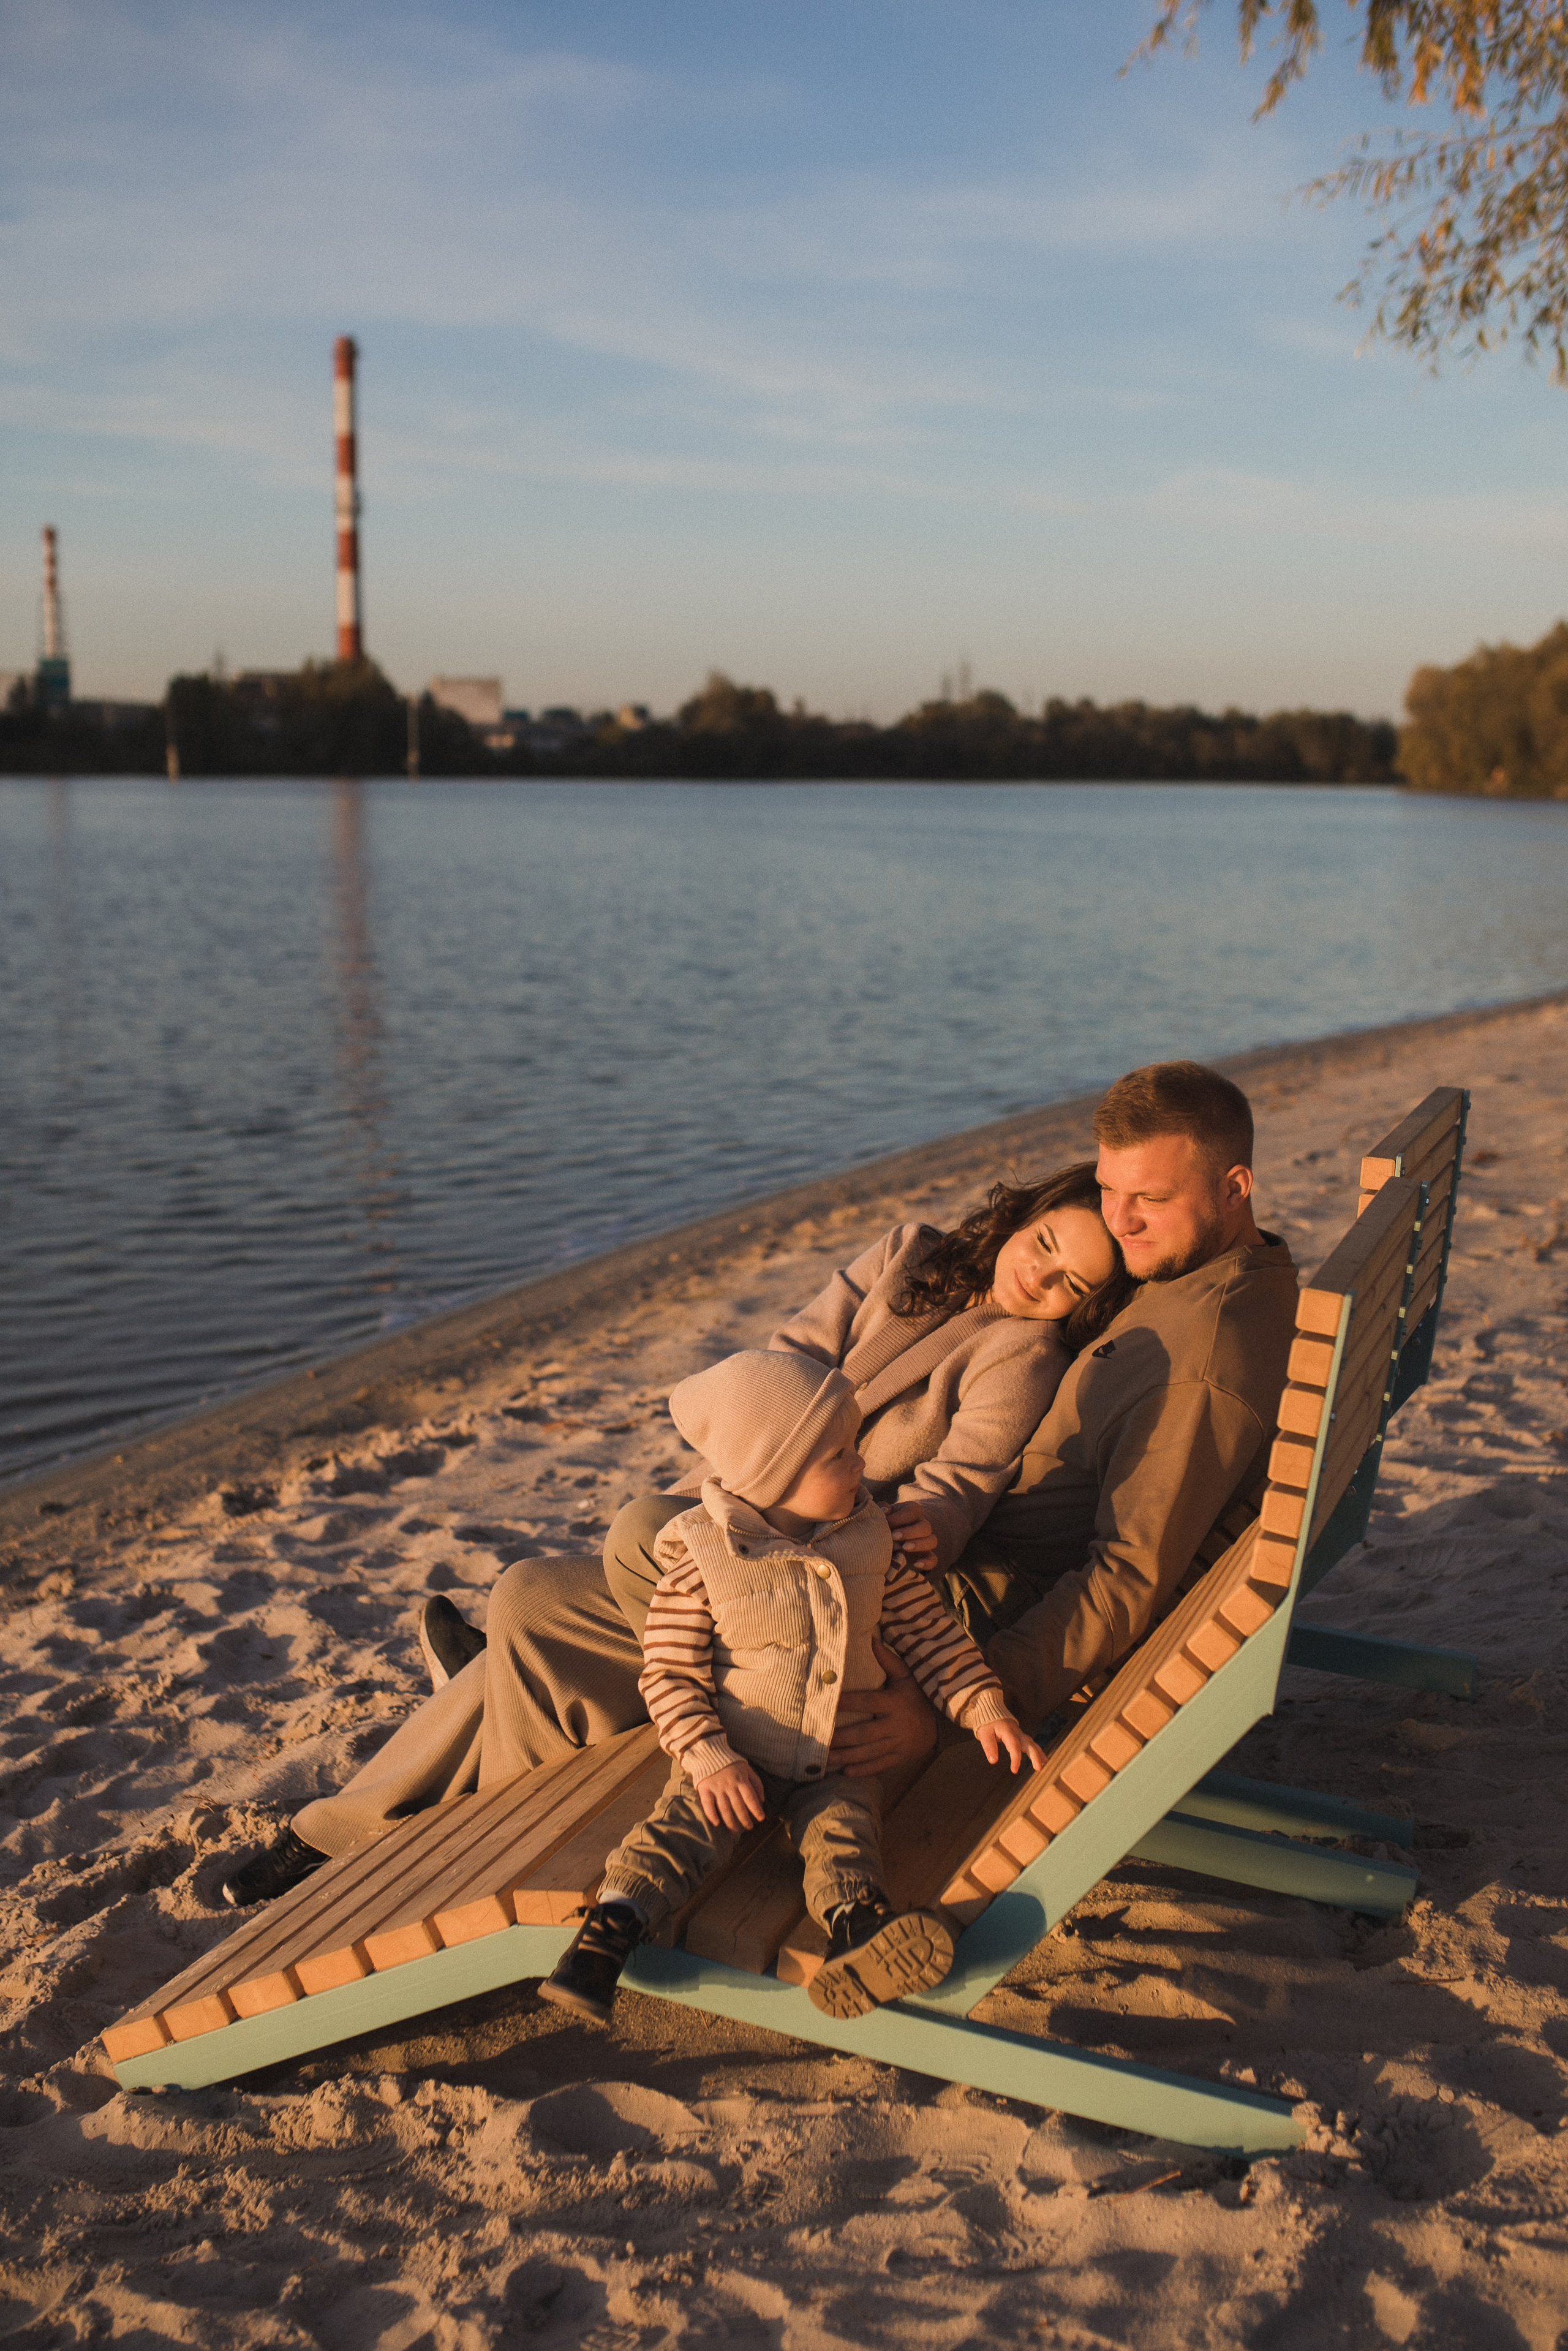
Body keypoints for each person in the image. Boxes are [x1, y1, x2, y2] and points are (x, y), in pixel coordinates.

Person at [222, 1160, 1125, 1904]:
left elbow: (965, 1476)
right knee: (531, 1600)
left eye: (1072, 1284)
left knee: (641, 1533)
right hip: (740, 1522)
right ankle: (332, 1830)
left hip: (822, 1579)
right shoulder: (906, 1253)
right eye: (1046, 1243)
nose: (1041, 1278)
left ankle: (356, 1825)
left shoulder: (1023, 1353)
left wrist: (931, 1518)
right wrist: (759, 1451)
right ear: (1023, 1213)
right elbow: (788, 1354)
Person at [538, 1351, 1044, 2027]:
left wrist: (981, 1704)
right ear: (770, 1475)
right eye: (839, 1455)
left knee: (846, 1834)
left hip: (840, 1756)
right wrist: (710, 1757)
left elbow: (929, 1631)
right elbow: (669, 1675)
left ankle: (857, 1930)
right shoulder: (701, 1560)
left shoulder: (870, 1539)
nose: (861, 1464)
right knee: (679, 1833)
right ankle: (607, 1934)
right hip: (737, 1754)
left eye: (854, 1446)